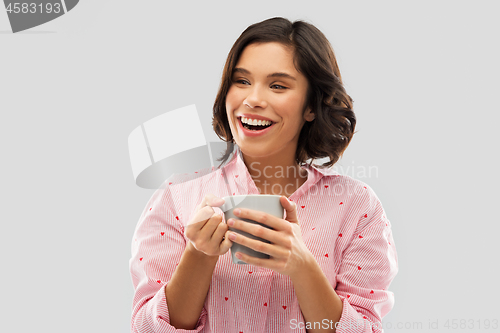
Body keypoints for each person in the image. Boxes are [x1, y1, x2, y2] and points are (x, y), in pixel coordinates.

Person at [130, 17, 398, 333]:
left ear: (312, 106)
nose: (253, 99)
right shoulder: (178, 195)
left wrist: (303, 267)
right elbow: (147, 328)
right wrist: (199, 255)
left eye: (278, 86)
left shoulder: (356, 206)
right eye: (241, 81)